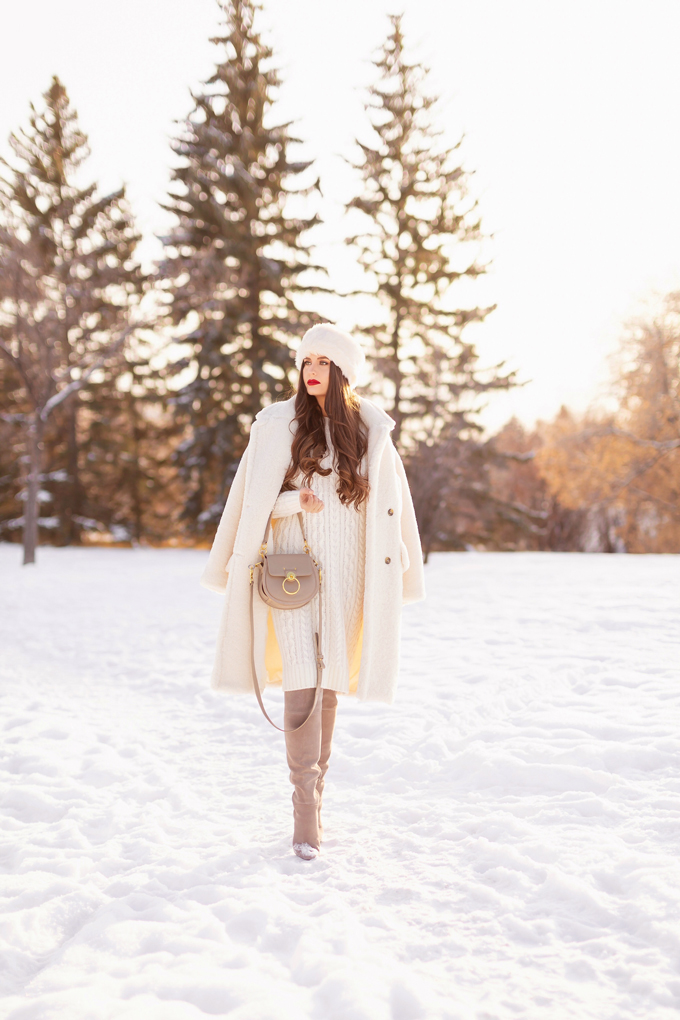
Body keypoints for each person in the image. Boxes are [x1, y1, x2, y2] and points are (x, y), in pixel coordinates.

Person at [201, 324, 425, 859]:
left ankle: (317, 795)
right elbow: (252, 501)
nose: (312, 371)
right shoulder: (278, 425)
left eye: (324, 362)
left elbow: (395, 509)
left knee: (328, 684)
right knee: (301, 673)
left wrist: (402, 569)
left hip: (348, 576)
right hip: (291, 569)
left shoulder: (371, 432)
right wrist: (291, 504)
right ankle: (304, 812)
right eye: (307, 362)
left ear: (344, 371)